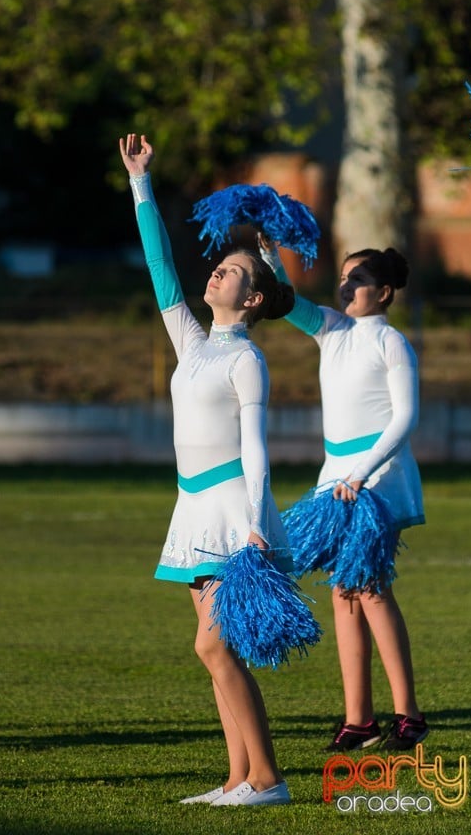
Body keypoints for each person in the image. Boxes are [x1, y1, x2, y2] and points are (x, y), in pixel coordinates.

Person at [119, 133, 301, 807]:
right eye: (221, 268)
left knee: (215, 648)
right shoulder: (192, 342)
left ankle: (270, 779)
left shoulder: (245, 359)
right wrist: (141, 183)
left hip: (231, 510)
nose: (219, 273)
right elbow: (161, 267)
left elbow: (256, 449)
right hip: (190, 506)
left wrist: (255, 524)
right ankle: (236, 780)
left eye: (234, 273)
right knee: (216, 655)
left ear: (253, 299)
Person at [259, 236, 428, 752]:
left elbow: (405, 416)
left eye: (357, 279)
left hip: (376, 478)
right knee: (344, 593)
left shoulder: (391, 341)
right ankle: (359, 719)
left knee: (371, 589)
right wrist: (269, 256)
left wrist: (361, 474)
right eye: (344, 277)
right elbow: (286, 300)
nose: (346, 284)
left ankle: (409, 715)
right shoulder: (331, 328)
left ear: (382, 292)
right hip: (335, 478)